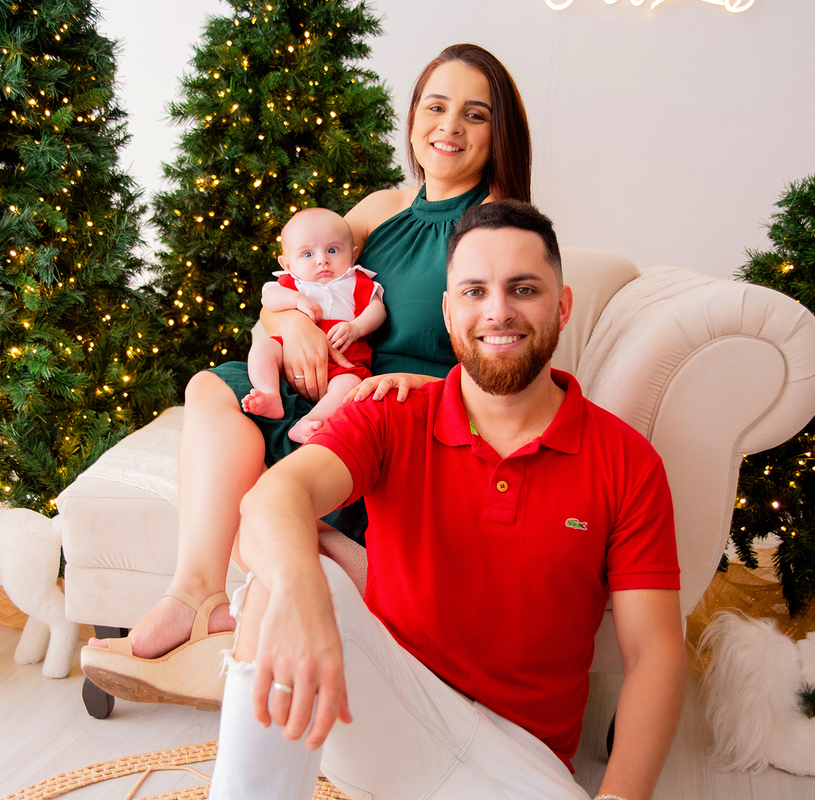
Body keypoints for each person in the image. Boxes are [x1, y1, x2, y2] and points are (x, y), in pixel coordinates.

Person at [81, 43, 534, 708]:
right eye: (435, 107)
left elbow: (512, 358)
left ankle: (261, 626)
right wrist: (289, 323)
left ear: (499, 135)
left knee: (259, 522)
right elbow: (297, 278)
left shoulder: (500, 226)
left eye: (475, 114)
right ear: (411, 121)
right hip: (332, 378)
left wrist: (428, 387)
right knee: (210, 387)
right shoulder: (379, 209)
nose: (450, 127)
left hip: (407, 407)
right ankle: (194, 594)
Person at [208, 200, 686, 800]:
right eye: (474, 291)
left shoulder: (627, 463)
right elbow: (275, 497)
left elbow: (655, 656)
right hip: (387, 706)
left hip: (518, 757)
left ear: (561, 307)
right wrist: (302, 587)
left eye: (524, 288)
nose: (498, 311)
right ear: (447, 310)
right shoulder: (393, 412)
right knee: (289, 579)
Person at [241, 208, 386, 444]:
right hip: (290, 358)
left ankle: (310, 420)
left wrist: (357, 327)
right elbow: (269, 299)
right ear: (286, 263)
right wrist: (297, 300)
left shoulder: (357, 282)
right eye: (307, 254)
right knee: (262, 349)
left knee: (350, 386)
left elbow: (377, 310)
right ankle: (270, 395)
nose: (322, 260)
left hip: (343, 364)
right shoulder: (292, 282)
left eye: (332, 250)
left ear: (353, 254)